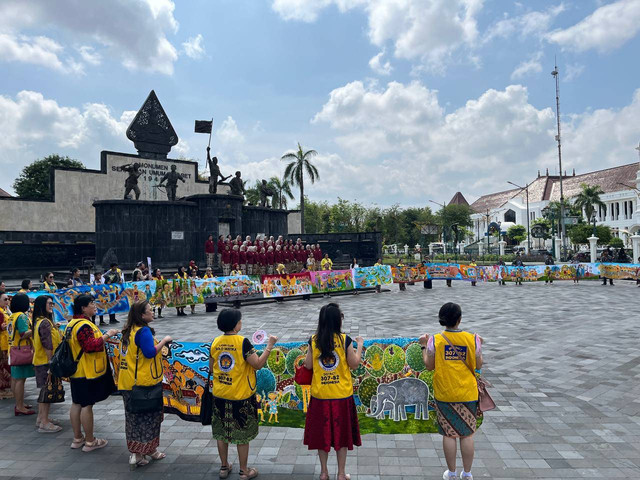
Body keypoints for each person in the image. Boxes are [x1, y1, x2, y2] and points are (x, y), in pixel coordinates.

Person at [209, 309, 278, 480]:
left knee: (221, 433)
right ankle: (243, 471)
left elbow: (211, 368)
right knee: (242, 435)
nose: (241, 323)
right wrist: (269, 346)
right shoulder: (243, 343)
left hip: (219, 394)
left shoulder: (215, 342)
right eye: (240, 321)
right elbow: (258, 364)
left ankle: (224, 468)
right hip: (240, 396)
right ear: (235, 324)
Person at [419, 302, 483, 480]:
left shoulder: (435, 340)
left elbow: (429, 366)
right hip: (467, 393)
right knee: (467, 433)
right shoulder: (473, 339)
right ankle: (468, 473)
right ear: (459, 320)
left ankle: (452, 473)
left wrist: (423, 346)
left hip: (445, 393)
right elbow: (478, 365)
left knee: (449, 433)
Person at [303, 303, 363, 480]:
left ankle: (323, 472)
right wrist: (359, 345)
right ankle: (342, 473)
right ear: (339, 320)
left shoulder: (314, 340)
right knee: (342, 436)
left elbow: (308, 365)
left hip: (320, 396)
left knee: (323, 436)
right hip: (341, 396)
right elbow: (354, 363)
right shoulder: (345, 340)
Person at [118, 301, 172, 469]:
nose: (153, 313)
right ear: (142, 315)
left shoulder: (128, 330)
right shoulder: (144, 331)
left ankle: (137, 453)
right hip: (144, 383)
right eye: (150, 311)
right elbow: (149, 353)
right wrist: (164, 341)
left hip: (128, 382)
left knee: (133, 418)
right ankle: (148, 450)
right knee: (150, 418)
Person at [66, 294, 118, 452]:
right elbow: (90, 346)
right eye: (91, 303)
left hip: (77, 371)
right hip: (86, 371)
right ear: (83, 308)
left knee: (76, 403)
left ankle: (77, 438)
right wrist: (108, 335)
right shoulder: (84, 325)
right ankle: (90, 441)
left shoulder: (72, 324)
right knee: (86, 405)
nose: (95, 306)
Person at [32, 295, 63, 433]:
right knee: (47, 391)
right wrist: (52, 363)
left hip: (40, 361)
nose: (52, 306)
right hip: (45, 362)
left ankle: (41, 418)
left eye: (52, 303)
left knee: (45, 390)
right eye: (49, 304)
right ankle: (44, 422)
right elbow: (47, 344)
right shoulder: (44, 323)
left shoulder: (40, 321)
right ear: (41, 306)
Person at [7, 293, 35, 415]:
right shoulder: (22, 317)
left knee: (15, 378)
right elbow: (24, 333)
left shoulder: (12, 316)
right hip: (22, 349)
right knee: (20, 380)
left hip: (12, 348)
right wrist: (36, 329)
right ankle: (19, 406)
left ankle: (19, 403)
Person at [0, 292, 13, 399]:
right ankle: (2, 390)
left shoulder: (5, 311)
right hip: (2, 342)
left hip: (6, 342)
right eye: (5, 299)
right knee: (2, 367)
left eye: (7, 299)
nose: (7, 301)